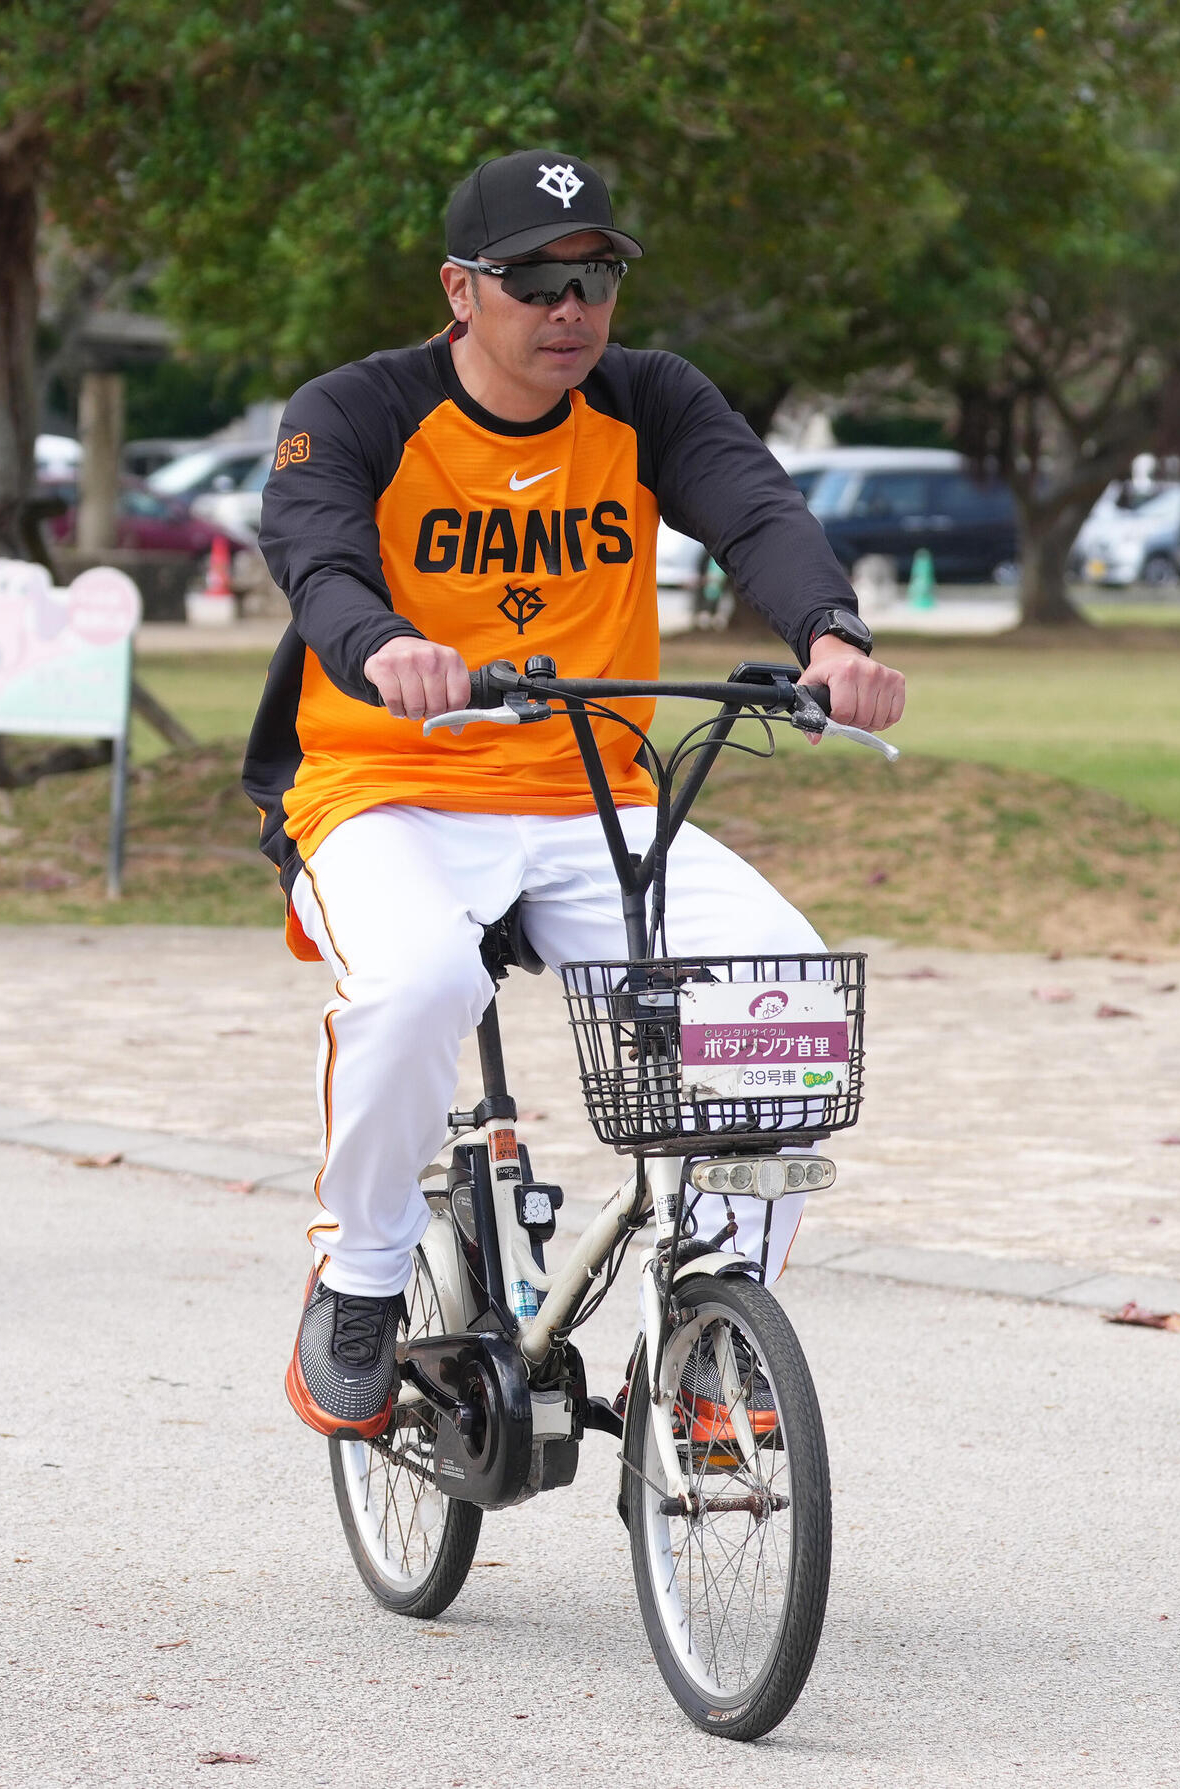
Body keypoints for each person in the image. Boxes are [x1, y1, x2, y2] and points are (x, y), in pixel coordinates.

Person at [245, 148, 904, 1440]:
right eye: (535, 282)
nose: (571, 310)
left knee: (783, 992)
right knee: (418, 982)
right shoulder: (359, 407)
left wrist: (832, 637)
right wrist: (385, 644)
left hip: (590, 799)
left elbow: (757, 512)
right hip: (385, 789)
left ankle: (714, 1334)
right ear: (460, 290)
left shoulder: (649, 399)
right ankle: (361, 1278)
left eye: (595, 279)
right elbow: (315, 553)